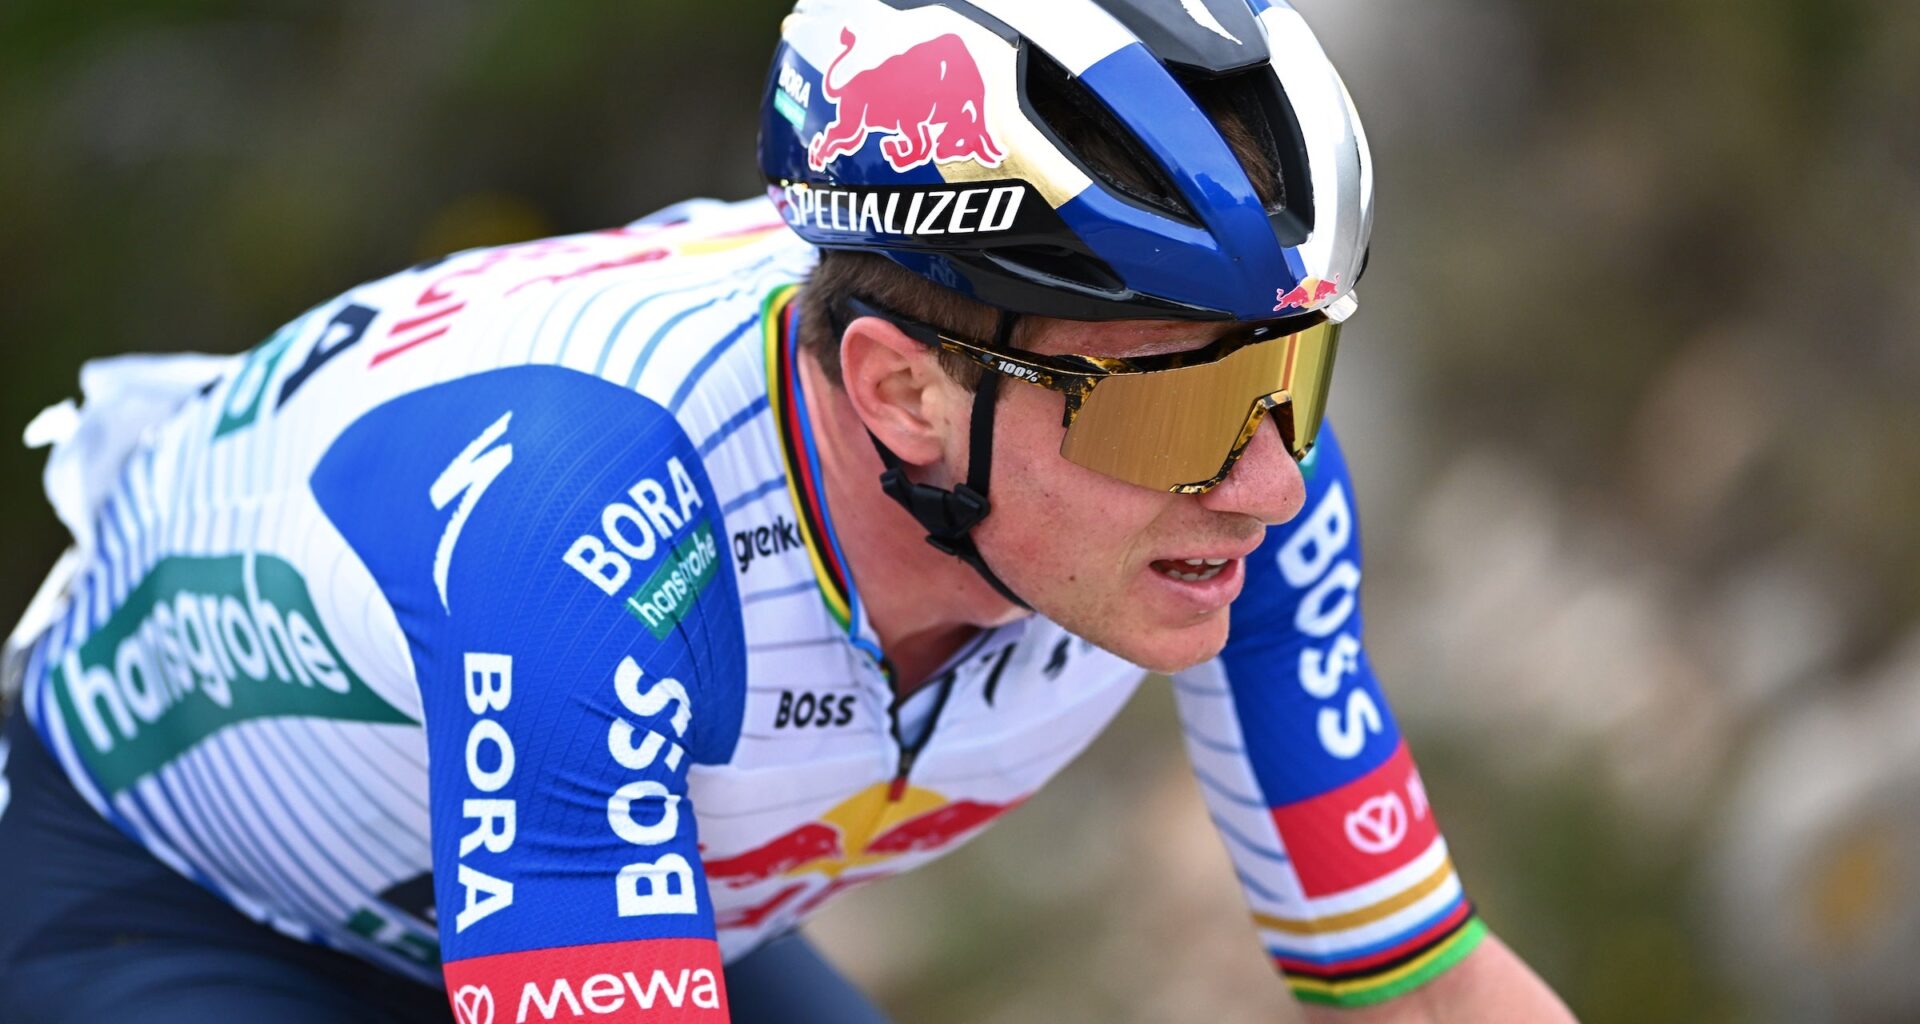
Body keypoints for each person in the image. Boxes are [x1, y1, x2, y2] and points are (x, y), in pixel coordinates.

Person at [0, 1, 1575, 1021]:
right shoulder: (594, 515)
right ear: (900, 392)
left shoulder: (1229, 491)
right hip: (171, 903)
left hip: (606, 878)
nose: (1268, 482)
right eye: (1167, 404)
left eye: (1288, 378)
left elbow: (1415, 986)